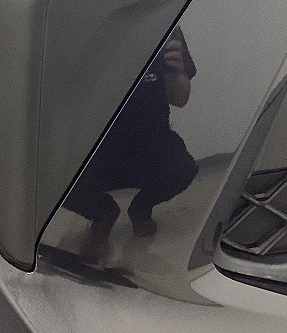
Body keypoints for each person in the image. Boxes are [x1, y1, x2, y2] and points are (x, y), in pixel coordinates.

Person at [64, 26, 198, 254]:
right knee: (49, 181)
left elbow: (180, 99)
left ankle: (141, 209)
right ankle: (102, 212)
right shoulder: (81, 27)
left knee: (184, 169)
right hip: (97, 148)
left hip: (151, 143)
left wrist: (177, 74)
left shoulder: (164, 23)